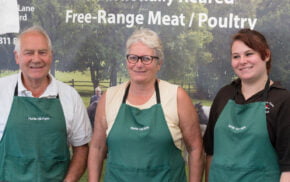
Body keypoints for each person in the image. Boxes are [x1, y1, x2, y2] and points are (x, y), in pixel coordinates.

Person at [88, 28, 203, 182]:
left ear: (159, 63)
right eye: (133, 58)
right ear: (127, 60)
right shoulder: (109, 97)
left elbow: (195, 148)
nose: (139, 64)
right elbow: (97, 148)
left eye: (146, 58)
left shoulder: (176, 96)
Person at [0, 25, 92, 182]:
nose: (36, 59)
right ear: (17, 57)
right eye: (29, 52)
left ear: (51, 56)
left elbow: (82, 148)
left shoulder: (70, 96)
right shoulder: (2, 91)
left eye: (42, 52)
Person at [203, 28, 290, 182]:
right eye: (236, 56)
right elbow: (210, 152)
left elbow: (288, 168)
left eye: (249, 54)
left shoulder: (283, 100)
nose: (242, 61)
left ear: (266, 55)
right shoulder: (224, 95)